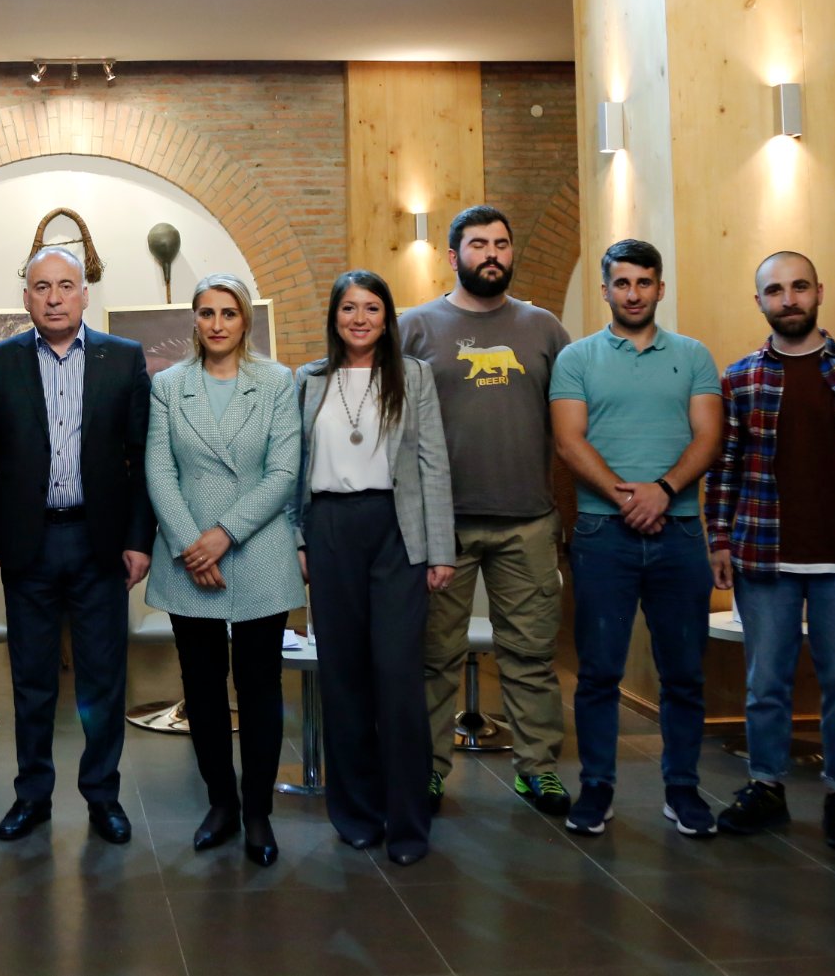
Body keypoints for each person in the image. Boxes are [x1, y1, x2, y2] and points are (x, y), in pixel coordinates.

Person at [0, 246, 153, 846]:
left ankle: (103, 797)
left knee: (103, 679)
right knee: (32, 680)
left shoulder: (123, 358)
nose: (53, 298)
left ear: (84, 294)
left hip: (100, 544)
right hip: (30, 544)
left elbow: (142, 459)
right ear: (26, 297)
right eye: (41, 287)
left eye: (65, 286)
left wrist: (138, 539)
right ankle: (32, 796)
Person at [399, 205, 573, 817]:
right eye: (479, 244)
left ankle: (538, 770)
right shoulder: (413, 328)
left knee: (531, 655)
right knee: (433, 658)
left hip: (527, 520)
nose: (492, 254)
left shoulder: (544, 329)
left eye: (501, 243)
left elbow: (569, 424)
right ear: (454, 256)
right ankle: (426, 770)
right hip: (440, 528)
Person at [704, 252, 835, 852]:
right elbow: (724, 467)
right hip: (764, 555)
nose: (789, 299)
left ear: (819, 292)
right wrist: (719, 539)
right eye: (775, 290)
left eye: (799, 287)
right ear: (759, 301)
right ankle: (766, 787)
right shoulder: (740, 378)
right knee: (765, 684)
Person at [549, 238, 722, 839]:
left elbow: (708, 437)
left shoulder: (694, 356)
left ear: (659, 288)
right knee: (599, 672)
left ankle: (683, 789)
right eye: (621, 283)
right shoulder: (577, 359)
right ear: (605, 290)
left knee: (684, 674)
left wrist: (663, 491)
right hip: (603, 534)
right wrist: (629, 498)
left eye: (643, 282)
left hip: (680, 532)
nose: (633, 293)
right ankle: (597, 788)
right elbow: (569, 441)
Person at [293, 269, 454, 866]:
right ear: (334, 317)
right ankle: (356, 815)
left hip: (396, 530)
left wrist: (441, 550)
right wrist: (298, 539)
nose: (359, 319)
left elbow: (433, 463)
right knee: (343, 678)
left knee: (397, 677)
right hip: (330, 529)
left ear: (387, 318)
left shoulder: (413, 376)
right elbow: (293, 465)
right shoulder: (308, 380)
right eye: (348, 308)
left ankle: (408, 822)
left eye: (371, 308)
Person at [145, 274, 303, 867]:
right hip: (190, 559)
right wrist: (193, 545)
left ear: (245, 322)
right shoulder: (169, 385)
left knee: (261, 689)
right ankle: (221, 804)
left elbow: (283, 472)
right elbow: (159, 471)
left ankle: (258, 811)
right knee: (203, 690)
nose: (217, 324)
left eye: (228, 313)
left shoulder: (277, 381)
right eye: (207, 313)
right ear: (194, 319)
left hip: (257, 550)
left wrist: (222, 535)